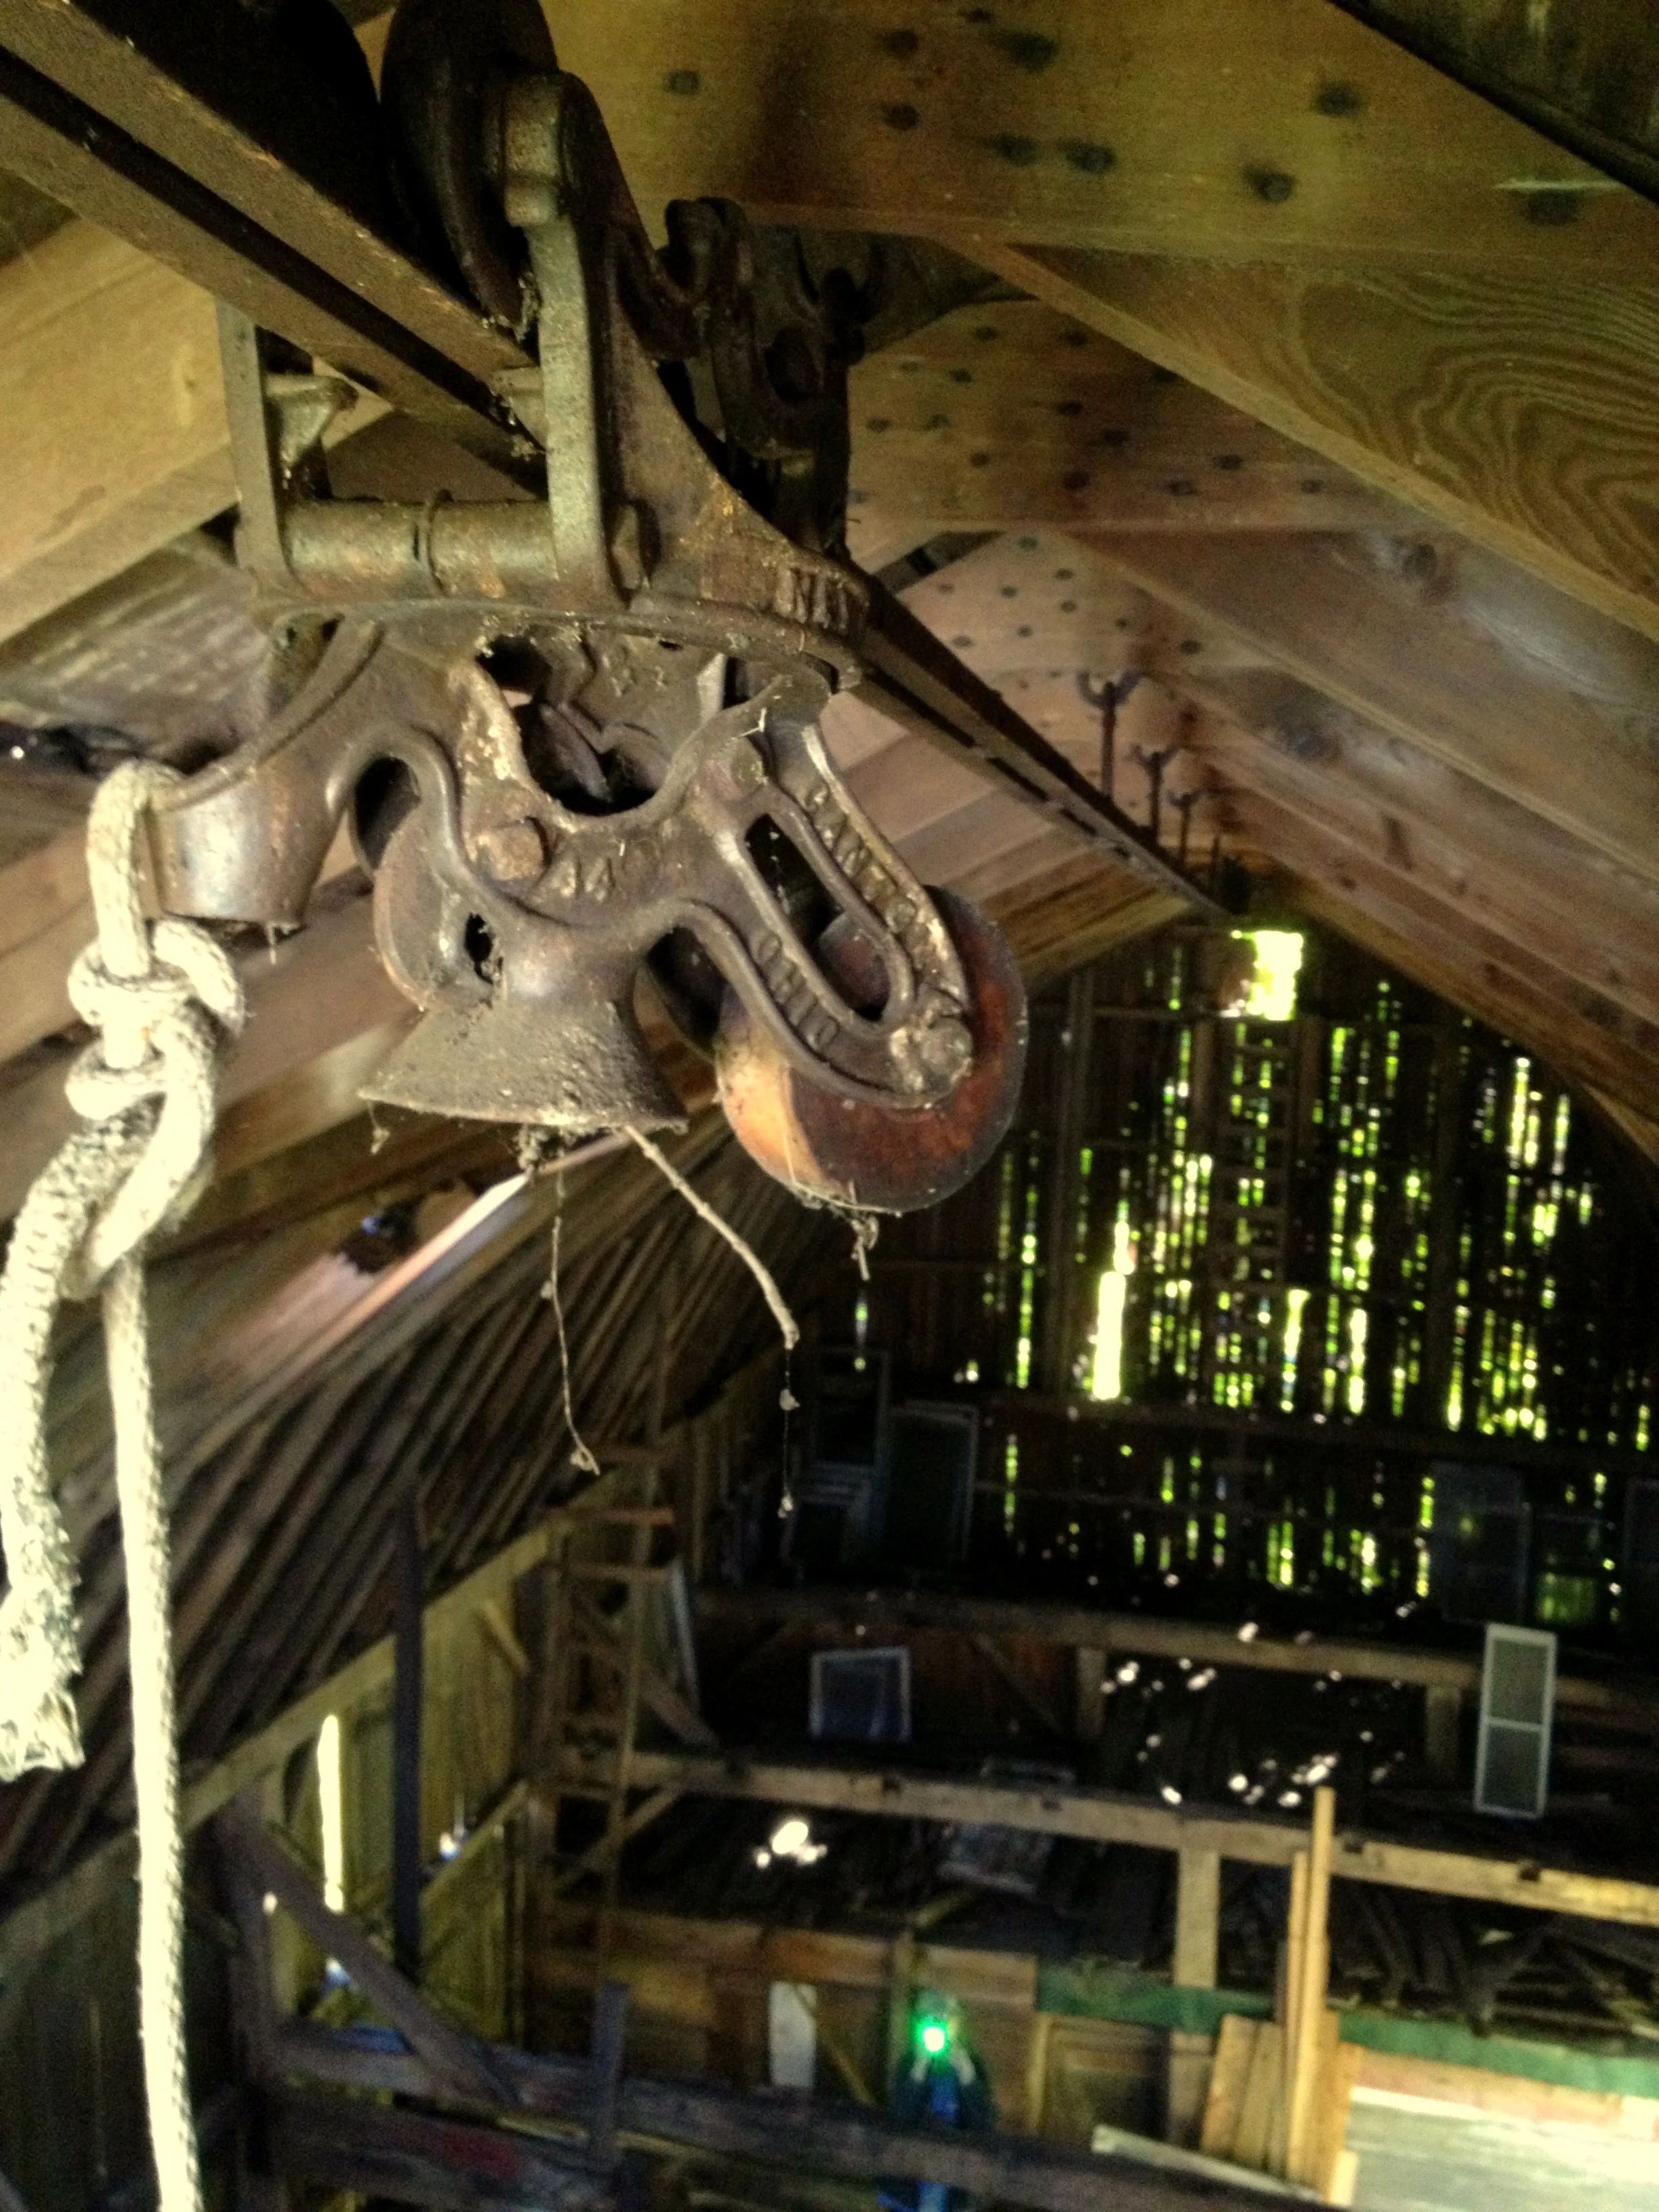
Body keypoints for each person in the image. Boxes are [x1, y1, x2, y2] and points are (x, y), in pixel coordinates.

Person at [877, 1992, 994, 2212]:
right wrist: (919, 2069)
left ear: (957, 2025)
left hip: (954, 2187)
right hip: (910, 2185)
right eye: (929, 2019)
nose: (938, 2027)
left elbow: (984, 2124)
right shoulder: (910, 2062)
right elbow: (899, 2118)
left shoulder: (971, 2065)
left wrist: (968, 2078)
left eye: (944, 2019)